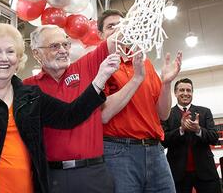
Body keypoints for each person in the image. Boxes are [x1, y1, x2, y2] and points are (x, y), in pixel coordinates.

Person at [0, 23, 120, 193]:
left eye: (10, 52)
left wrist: (100, 79)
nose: (4, 58)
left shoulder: (29, 95)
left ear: (18, 59)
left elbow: (69, 115)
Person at [23, 24, 146, 192]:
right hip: (52, 177)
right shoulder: (28, 87)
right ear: (36, 53)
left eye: (65, 44)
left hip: (93, 173)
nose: (63, 50)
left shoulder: (85, 66)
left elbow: (116, 39)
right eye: (54, 46)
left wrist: (141, 9)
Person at [97, 7, 183, 192]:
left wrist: (167, 84)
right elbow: (103, 115)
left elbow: (163, 114)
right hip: (119, 152)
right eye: (111, 26)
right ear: (100, 35)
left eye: (122, 24)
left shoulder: (143, 62)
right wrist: (136, 79)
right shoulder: (101, 65)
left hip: (155, 150)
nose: (118, 29)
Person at [162, 78, 221, 193]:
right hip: (177, 173)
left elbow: (214, 138)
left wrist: (198, 130)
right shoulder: (166, 114)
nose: (185, 93)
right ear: (175, 93)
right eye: (181, 90)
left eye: (189, 90)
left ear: (192, 93)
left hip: (206, 171)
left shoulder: (205, 112)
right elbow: (163, 141)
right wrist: (181, 130)